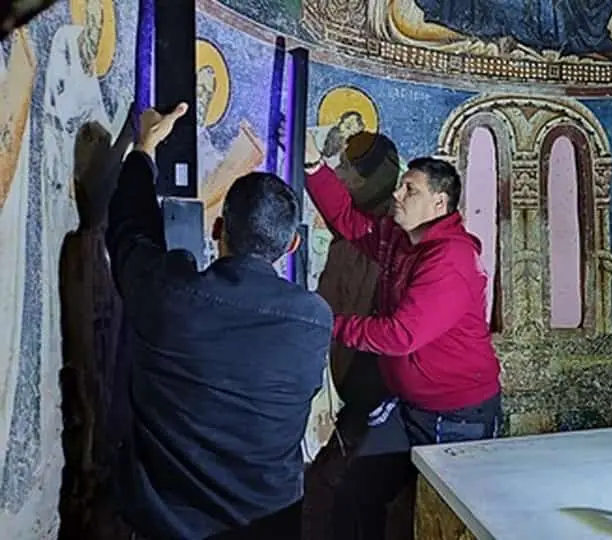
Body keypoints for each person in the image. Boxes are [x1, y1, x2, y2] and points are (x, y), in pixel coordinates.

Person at [110, 104, 332, 539]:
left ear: (217, 228)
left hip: (168, 525)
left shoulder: (169, 295)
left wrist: (144, 149)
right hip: (267, 526)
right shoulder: (314, 321)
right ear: (292, 245)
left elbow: (128, 233)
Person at [302, 132, 502, 539]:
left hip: (456, 414)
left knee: (448, 519)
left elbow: (401, 335)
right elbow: (350, 223)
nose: (397, 195)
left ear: (439, 204)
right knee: (358, 490)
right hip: (409, 405)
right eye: (400, 186)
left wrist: (326, 322)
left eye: (410, 190)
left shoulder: (450, 258)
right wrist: (313, 167)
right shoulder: (401, 238)